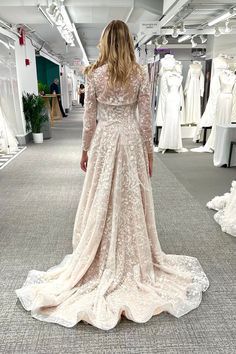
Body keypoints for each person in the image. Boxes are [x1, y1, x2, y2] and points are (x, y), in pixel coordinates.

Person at [15, 20, 209, 330]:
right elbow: (145, 119)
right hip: (130, 140)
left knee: (102, 194)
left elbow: (89, 119)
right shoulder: (138, 74)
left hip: (105, 141)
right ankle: (131, 252)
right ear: (129, 43)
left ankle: (100, 250)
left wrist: (85, 150)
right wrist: (149, 152)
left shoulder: (94, 74)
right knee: (129, 196)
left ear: (105, 41)